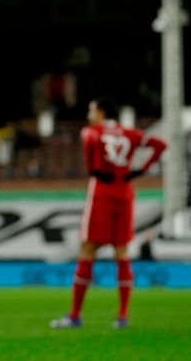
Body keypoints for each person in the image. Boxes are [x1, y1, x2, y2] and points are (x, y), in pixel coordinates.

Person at [51, 98, 167, 330]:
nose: (89, 114)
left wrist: (96, 169)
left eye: (91, 109)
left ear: (101, 111)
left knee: (87, 249)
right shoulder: (129, 133)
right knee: (122, 253)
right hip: (124, 192)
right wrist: (140, 170)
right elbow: (160, 145)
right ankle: (122, 316)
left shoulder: (92, 131)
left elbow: (91, 158)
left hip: (102, 193)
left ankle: (75, 315)